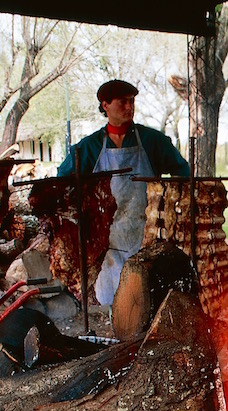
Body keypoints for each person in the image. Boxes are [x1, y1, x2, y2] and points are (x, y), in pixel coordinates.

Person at [57, 79, 191, 305]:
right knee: (117, 306)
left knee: (150, 301)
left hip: (149, 238)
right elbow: (62, 182)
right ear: (105, 105)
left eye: (132, 102)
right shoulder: (89, 147)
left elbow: (183, 172)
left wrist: (174, 199)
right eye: (123, 102)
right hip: (109, 243)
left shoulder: (152, 141)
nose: (129, 107)